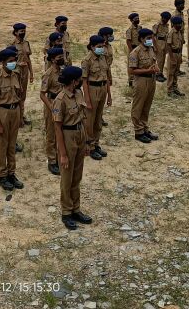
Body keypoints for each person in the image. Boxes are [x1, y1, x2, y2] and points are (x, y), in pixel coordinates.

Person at [52, 65, 93, 230]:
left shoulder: (78, 93)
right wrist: (62, 154)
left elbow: (83, 118)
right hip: (67, 136)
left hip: (80, 134)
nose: (81, 82)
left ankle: (76, 209)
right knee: (67, 178)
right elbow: (57, 128)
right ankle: (66, 212)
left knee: (77, 176)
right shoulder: (60, 99)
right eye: (79, 79)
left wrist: (87, 142)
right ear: (74, 81)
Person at [0, 49, 23, 191]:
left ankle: (11, 173)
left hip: (15, 111)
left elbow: (19, 96)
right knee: (2, 146)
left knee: (12, 145)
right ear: (3, 63)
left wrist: (20, 115)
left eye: (14, 60)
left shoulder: (16, 75)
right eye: (10, 61)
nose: (13, 63)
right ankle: (2, 176)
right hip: (3, 111)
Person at [81, 35, 112, 161]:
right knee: (90, 120)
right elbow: (84, 81)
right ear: (92, 47)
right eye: (99, 47)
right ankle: (89, 146)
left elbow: (106, 77)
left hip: (103, 88)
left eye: (103, 46)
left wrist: (109, 95)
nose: (102, 49)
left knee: (98, 119)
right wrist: (87, 100)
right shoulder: (87, 60)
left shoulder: (103, 57)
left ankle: (96, 143)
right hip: (92, 89)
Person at [128, 28, 160, 143]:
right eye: (148, 38)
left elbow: (153, 62)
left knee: (146, 106)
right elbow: (132, 71)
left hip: (151, 80)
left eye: (152, 38)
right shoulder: (135, 52)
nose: (151, 40)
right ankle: (138, 131)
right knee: (138, 107)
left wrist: (155, 68)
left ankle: (145, 128)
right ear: (141, 39)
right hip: (141, 81)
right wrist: (147, 71)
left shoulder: (151, 49)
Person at [41, 47, 65, 175]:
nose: (62, 59)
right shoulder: (48, 74)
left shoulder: (62, 71)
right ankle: (51, 161)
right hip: (52, 103)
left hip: (62, 105)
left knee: (60, 132)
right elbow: (42, 94)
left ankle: (59, 156)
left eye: (62, 56)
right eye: (59, 57)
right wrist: (51, 108)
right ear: (53, 59)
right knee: (51, 134)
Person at [11, 23, 33, 127]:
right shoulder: (12, 45)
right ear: (15, 32)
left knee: (23, 95)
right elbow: (8, 62)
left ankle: (21, 116)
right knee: (16, 95)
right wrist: (18, 64)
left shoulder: (26, 43)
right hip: (16, 73)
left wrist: (31, 73)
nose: (23, 33)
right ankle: (17, 118)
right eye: (21, 31)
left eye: (24, 31)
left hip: (25, 72)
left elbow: (28, 59)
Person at [167, 16, 185, 97]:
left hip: (178, 54)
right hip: (173, 54)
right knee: (171, 73)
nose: (179, 25)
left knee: (176, 72)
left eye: (180, 24)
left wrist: (180, 56)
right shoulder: (171, 33)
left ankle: (175, 88)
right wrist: (172, 58)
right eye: (178, 24)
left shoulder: (179, 32)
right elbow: (168, 46)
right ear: (173, 24)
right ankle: (170, 90)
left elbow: (180, 45)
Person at [152, 12, 171, 82]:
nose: (167, 21)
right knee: (159, 60)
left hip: (164, 42)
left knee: (163, 59)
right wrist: (154, 46)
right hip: (158, 43)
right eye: (166, 19)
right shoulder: (157, 25)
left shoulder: (166, 25)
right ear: (162, 18)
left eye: (168, 19)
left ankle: (160, 73)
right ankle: (157, 74)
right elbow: (152, 36)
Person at [125, 12, 141, 86]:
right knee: (131, 65)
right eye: (135, 19)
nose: (137, 20)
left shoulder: (140, 28)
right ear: (131, 20)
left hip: (138, 48)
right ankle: (131, 80)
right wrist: (132, 51)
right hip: (132, 48)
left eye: (138, 18)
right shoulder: (129, 30)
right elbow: (128, 41)